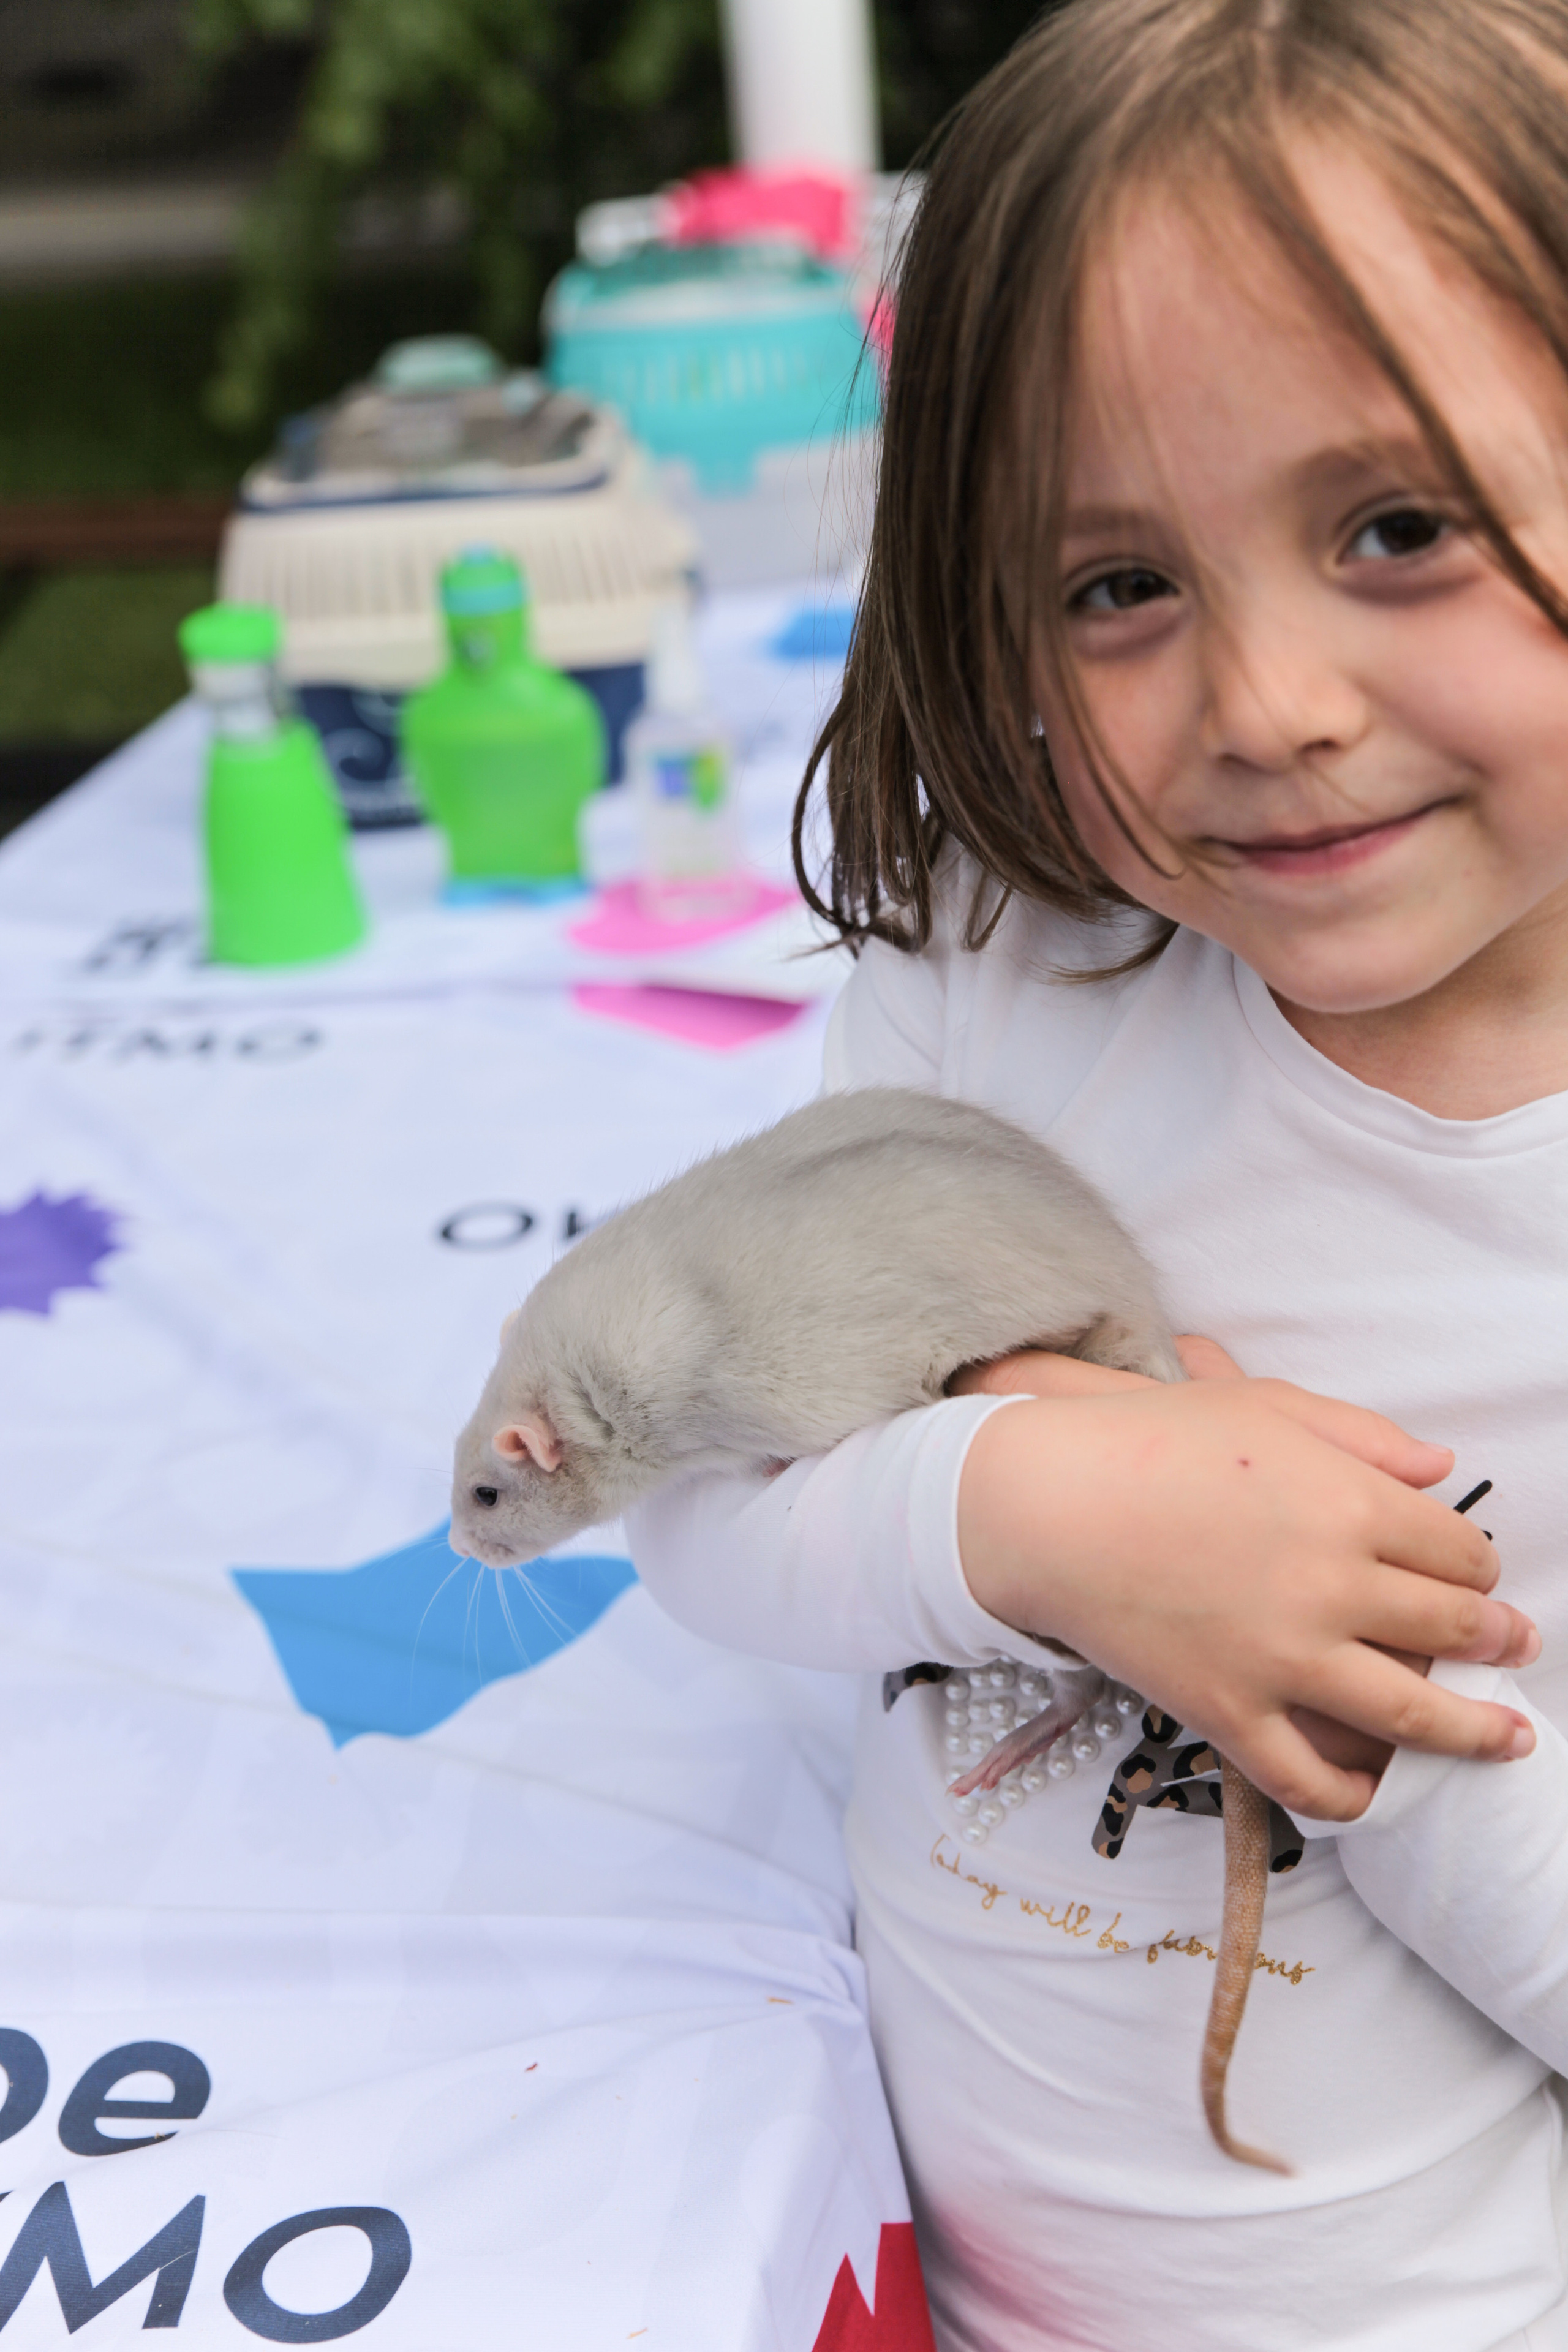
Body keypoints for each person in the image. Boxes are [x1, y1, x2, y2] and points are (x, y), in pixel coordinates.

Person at [627, 2, 1568, 2342]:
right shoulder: (1015, 964)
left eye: (1398, 529)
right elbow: (692, 1489)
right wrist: (1039, 1510)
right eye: (1116, 585)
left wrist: (1312, 1650)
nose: (1267, 708)